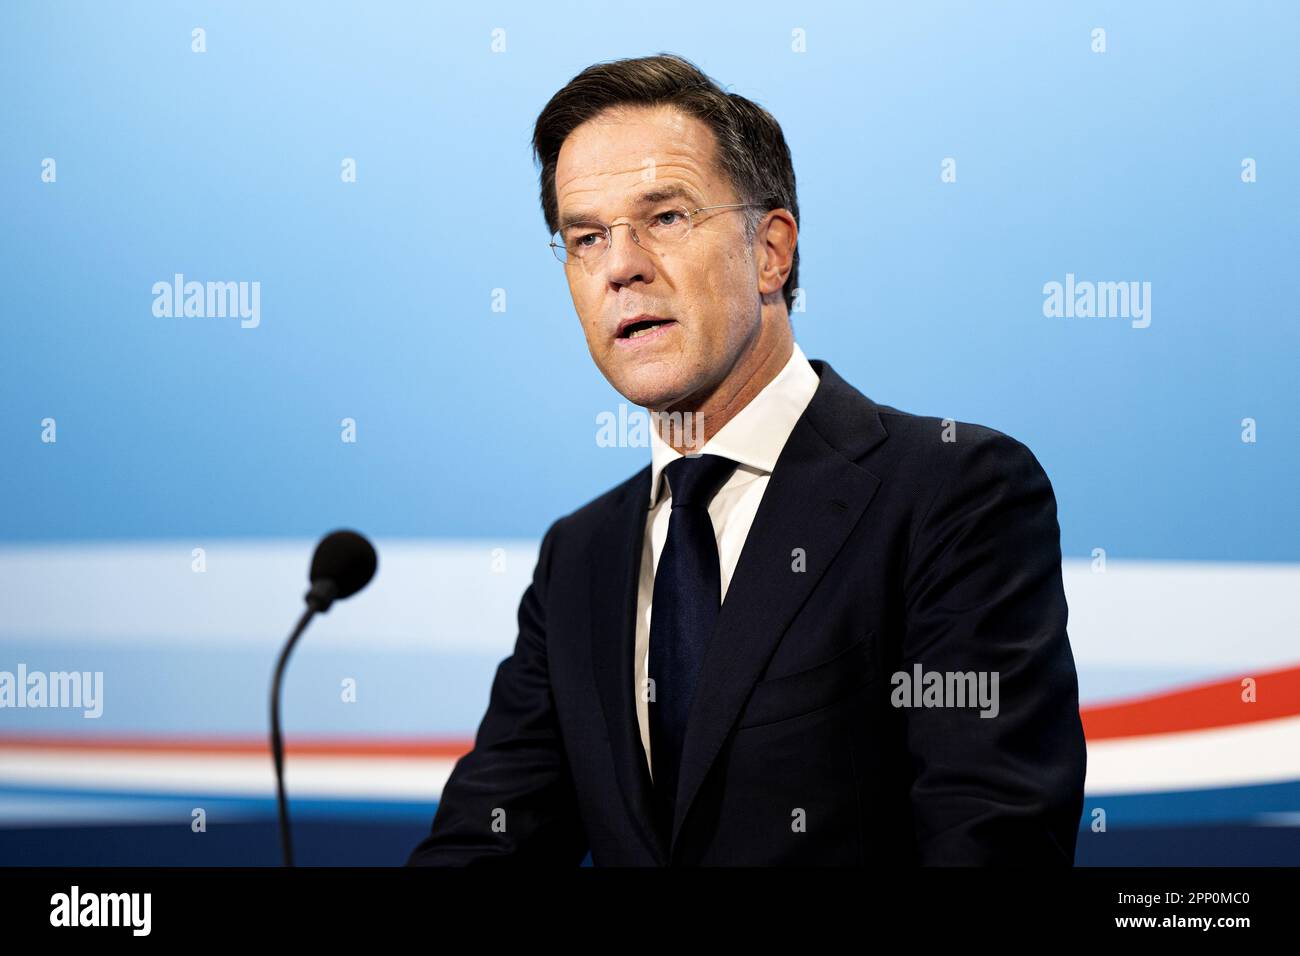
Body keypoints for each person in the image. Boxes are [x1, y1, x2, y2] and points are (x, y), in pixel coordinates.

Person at [407, 53, 1086, 866]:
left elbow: (991, 838)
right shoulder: (578, 557)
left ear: (771, 252)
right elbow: (486, 842)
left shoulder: (954, 494)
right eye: (586, 237)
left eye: (664, 218)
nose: (620, 266)